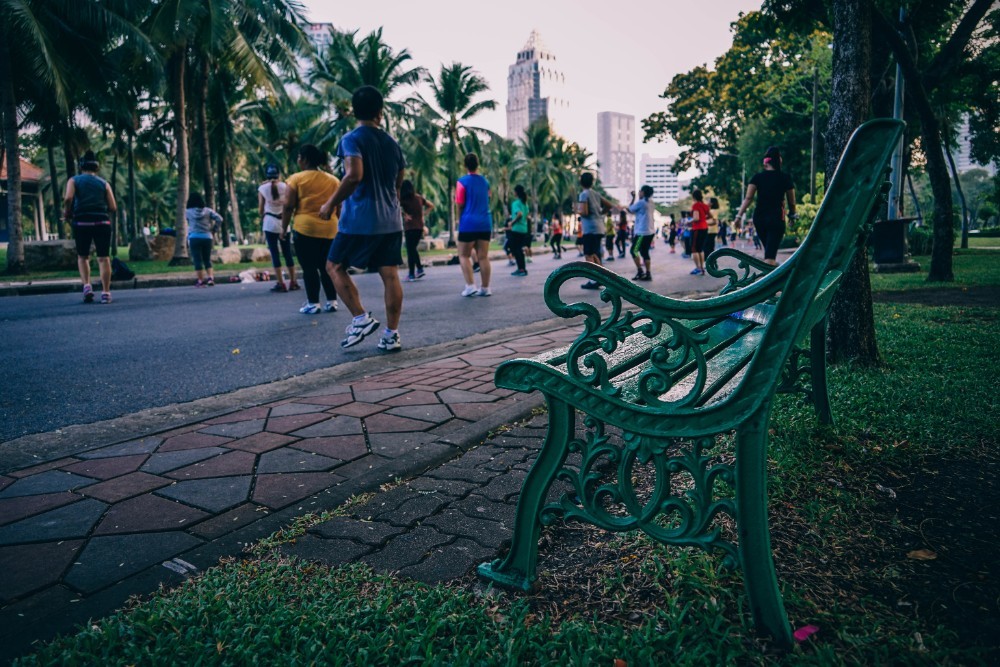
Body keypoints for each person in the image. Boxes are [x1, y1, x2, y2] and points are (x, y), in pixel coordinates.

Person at [320, 85, 406, 351]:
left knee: (334, 266)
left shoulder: (351, 139)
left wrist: (330, 203)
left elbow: (354, 175)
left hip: (360, 220)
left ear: (354, 112)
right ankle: (391, 335)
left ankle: (360, 318)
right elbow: (398, 183)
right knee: (390, 275)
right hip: (391, 220)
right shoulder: (393, 143)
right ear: (380, 113)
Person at [283, 144, 340, 314]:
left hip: (305, 229)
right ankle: (332, 301)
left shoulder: (296, 179)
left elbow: (288, 206)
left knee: (309, 267)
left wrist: (283, 228)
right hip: (331, 229)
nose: (298, 160)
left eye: (299, 157)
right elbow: (340, 206)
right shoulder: (333, 180)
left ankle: (313, 303)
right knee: (327, 267)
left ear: (305, 159)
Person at [63, 150, 117, 303]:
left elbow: (68, 198)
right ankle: (106, 293)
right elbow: (113, 207)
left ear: (81, 166)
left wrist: (68, 212)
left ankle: (87, 286)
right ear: (96, 168)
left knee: (82, 256)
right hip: (102, 222)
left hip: (82, 222)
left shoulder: (73, 180)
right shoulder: (104, 183)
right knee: (103, 258)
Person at [733, 146, 796, 266]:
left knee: (768, 252)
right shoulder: (785, 178)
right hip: (776, 218)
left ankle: (772, 269)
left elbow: (748, 198)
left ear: (765, 162)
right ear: (779, 161)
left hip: (760, 218)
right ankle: (772, 277)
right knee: (770, 256)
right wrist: (792, 216)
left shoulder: (757, 178)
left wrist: (738, 216)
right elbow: (792, 202)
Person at [454, 152, 493, 297]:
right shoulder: (485, 182)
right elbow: (489, 198)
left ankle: (470, 286)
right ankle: (485, 288)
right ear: (478, 164)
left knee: (464, 255)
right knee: (483, 256)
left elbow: (460, 204)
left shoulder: (462, 182)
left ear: (465, 165)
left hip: (468, 222)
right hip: (484, 222)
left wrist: (459, 220)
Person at [258, 163, 298, 292]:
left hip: (269, 223)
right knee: (287, 253)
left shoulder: (262, 188)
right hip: (284, 223)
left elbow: (260, 209)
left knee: (275, 253)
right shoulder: (285, 186)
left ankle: (281, 283)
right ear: (278, 174)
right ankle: (293, 281)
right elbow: (291, 204)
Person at [576, 172, 614, 290]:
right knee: (596, 254)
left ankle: (593, 280)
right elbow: (609, 205)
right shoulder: (596, 194)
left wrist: (577, 210)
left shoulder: (583, 194)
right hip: (599, 226)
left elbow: (585, 212)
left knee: (588, 254)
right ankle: (602, 278)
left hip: (590, 228)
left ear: (581, 182)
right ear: (592, 182)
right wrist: (600, 213)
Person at [185, 192, 222, 287]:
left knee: (197, 260)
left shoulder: (187, 212)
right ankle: (210, 278)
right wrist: (214, 229)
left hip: (194, 237)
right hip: (207, 237)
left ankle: (200, 281)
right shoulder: (208, 211)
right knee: (207, 259)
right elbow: (219, 219)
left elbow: (188, 222)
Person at [399, 179, 433, 282]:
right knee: (412, 249)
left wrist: (404, 215)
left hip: (410, 227)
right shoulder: (419, 198)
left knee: (410, 250)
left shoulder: (403, 199)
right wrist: (423, 214)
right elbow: (431, 205)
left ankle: (411, 274)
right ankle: (419, 269)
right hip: (419, 227)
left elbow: (394, 207)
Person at [627, 185, 655, 281]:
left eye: (640, 191)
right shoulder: (651, 202)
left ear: (643, 192)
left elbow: (629, 209)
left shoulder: (642, 203)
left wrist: (633, 197)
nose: (639, 192)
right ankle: (648, 273)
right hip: (650, 231)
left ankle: (640, 271)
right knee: (644, 252)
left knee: (634, 251)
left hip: (642, 233)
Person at [507, 184, 531, 276]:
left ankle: (521, 269)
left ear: (516, 192)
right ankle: (522, 269)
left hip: (517, 229)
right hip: (523, 229)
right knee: (519, 249)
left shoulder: (516, 203)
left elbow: (520, 214)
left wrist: (511, 223)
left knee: (515, 249)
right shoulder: (525, 203)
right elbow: (527, 216)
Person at [689, 190, 710, 275]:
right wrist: (703, 219)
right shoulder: (705, 206)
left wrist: (689, 222)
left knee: (694, 249)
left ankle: (698, 268)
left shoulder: (696, 205)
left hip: (697, 228)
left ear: (694, 197)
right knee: (700, 249)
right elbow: (709, 216)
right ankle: (702, 268)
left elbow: (696, 218)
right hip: (705, 228)